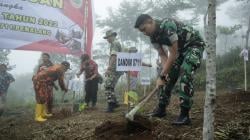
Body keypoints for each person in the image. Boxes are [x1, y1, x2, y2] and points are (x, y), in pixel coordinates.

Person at [134, 14, 205, 125]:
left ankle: (184, 115)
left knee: (185, 73)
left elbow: (173, 53)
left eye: (144, 29)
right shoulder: (153, 36)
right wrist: (164, 73)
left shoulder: (168, 25)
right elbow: (162, 54)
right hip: (180, 51)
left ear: (150, 21)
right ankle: (161, 109)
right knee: (168, 76)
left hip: (194, 45)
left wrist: (162, 75)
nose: (144, 33)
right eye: (141, 31)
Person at [103, 30, 123, 112]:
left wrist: (109, 68)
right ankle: (114, 103)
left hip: (114, 69)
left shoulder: (115, 43)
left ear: (112, 36)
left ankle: (111, 105)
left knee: (107, 86)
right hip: (117, 69)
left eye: (108, 37)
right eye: (106, 38)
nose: (107, 39)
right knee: (110, 86)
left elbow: (114, 56)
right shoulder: (115, 43)